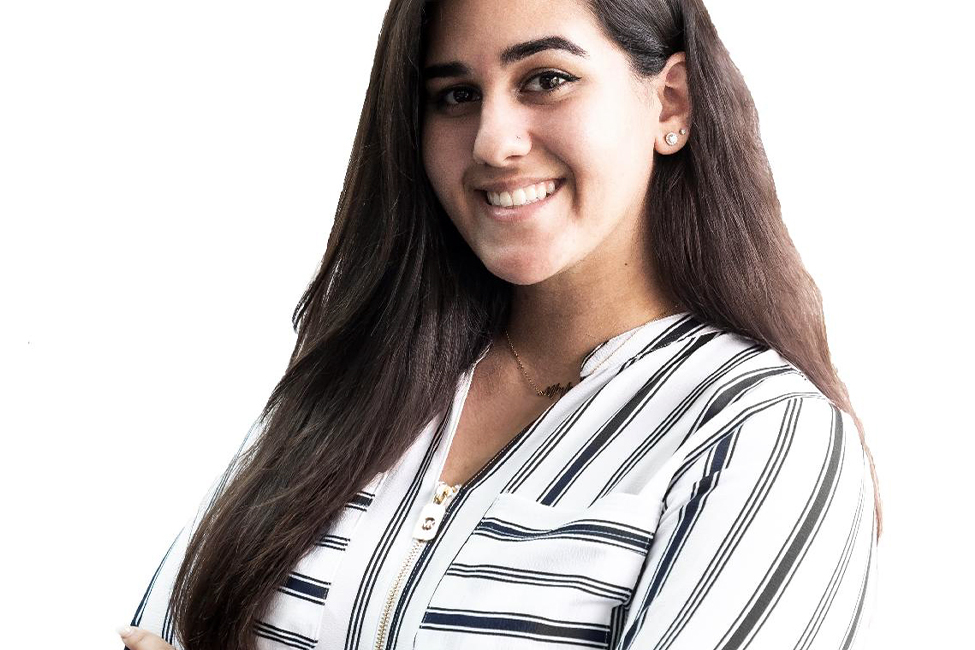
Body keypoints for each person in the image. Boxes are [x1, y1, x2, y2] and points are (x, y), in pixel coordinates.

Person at [119, 0, 880, 648]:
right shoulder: (346, 388)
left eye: (546, 79)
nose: (492, 142)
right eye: (455, 95)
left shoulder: (760, 433)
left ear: (670, 104)